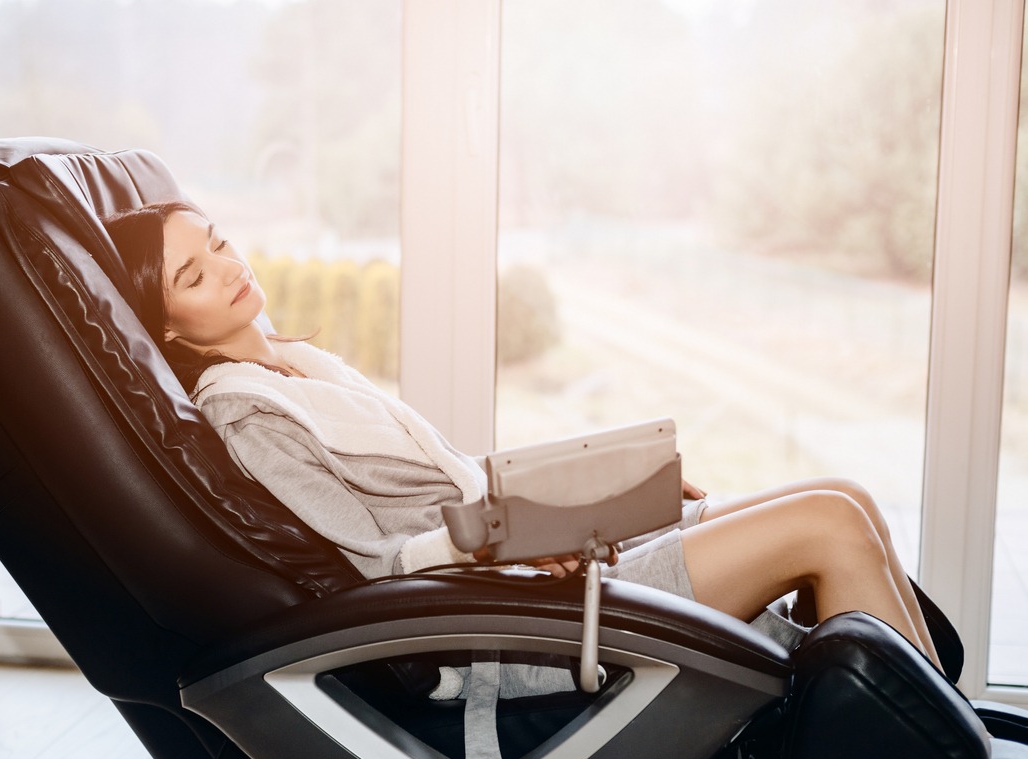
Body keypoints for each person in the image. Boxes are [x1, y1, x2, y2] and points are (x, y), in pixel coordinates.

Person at [103, 199, 943, 668]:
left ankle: (918, 735)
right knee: (827, 526)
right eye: (194, 274)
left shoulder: (300, 368)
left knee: (845, 495)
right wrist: (507, 542)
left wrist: (613, 495)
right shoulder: (245, 414)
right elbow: (376, 559)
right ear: (169, 327)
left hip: (532, 564)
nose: (229, 266)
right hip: (505, 616)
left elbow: (463, 481)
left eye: (218, 242)